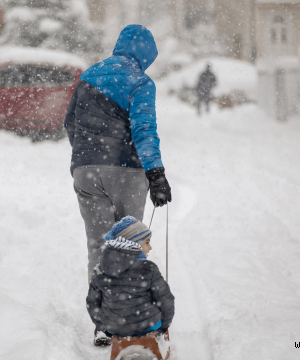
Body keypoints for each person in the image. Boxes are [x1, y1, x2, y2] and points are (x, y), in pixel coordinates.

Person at [64, 24, 172, 284]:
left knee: (98, 247)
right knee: (129, 245)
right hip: (126, 171)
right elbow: (144, 129)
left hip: (86, 172)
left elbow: (70, 122)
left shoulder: (89, 74)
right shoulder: (140, 81)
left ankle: (101, 311)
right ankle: (127, 314)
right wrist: (155, 173)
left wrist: (87, 155)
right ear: (146, 54)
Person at [86, 216, 175, 346]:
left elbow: (92, 303)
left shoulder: (100, 270)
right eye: (147, 242)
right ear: (135, 243)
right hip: (148, 326)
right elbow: (166, 301)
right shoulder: (149, 268)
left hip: (114, 328)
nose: (150, 247)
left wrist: (104, 327)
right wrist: (163, 327)